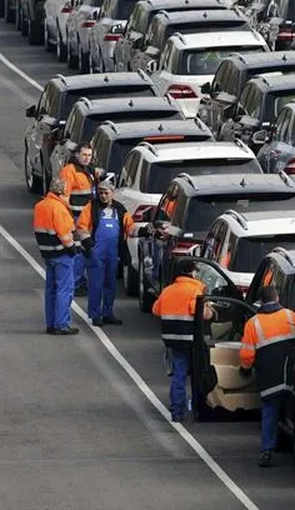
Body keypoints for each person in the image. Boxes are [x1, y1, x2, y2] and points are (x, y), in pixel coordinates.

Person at [239, 285, 295, 467]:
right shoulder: (291, 316)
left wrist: (244, 369)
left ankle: (267, 450)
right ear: (277, 299)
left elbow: (246, 355)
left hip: (269, 377)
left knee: (269, 413)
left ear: (260, 301)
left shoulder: (253, 323)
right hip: (292, 374)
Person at [78, 179, 151, 326]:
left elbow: (130, 228)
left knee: (111, 285)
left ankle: (108, 313)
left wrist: (144, 231)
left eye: (106, 193)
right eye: (100, 193)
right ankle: (95, 315)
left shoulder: (120, 209)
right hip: (95, 253)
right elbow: (81, 227)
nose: (103, 196)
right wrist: (89, 245)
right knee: (96, 285)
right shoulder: (91, 208)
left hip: (113, 253)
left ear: (113, 193)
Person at [152, 259, 211, 422]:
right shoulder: (195, 291)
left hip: (172, 339)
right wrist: (211, 310)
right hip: (191, 339)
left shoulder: (168, 290)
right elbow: (201, 313)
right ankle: (199, 407)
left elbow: (156, 309)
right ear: (190, 272)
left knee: (179, 374)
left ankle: (177, 410)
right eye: (194, 271)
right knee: (198, 372)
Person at [33, 176, 80, 335]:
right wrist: (73, 248)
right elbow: (65, 235)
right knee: (65, 289)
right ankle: (61, 324)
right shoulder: (59, 208)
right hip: (62, 254)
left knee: (51, 289)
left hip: (48, 253)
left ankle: (51, 323)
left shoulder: (40, 206)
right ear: (62, 191)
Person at [60, 144, 99, 292]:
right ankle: (75, 282)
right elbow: (64, 197)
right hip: (77, 217)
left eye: (89, 155)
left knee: (86, 249)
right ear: (76, 154)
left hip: (88, 217)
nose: (87, 158)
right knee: (79, 249)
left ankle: (79, 281)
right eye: (84, 155)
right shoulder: (69, 171)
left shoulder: (89, 170)